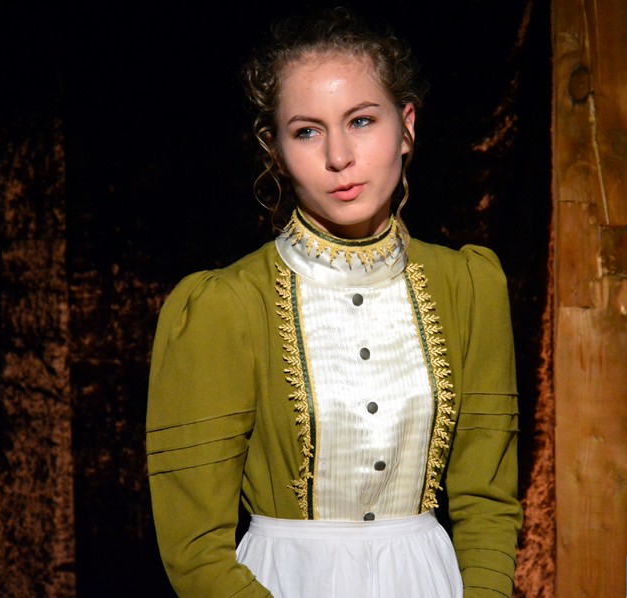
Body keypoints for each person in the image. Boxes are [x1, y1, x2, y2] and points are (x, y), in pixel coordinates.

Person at [146, 8, 522, 597]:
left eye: (362, 120)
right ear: (275, 150)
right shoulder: (223, 307)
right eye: (307, 131)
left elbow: (489, 505)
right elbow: (193, 549)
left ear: (407, 127)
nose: (339, 157)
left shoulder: (469, 287)